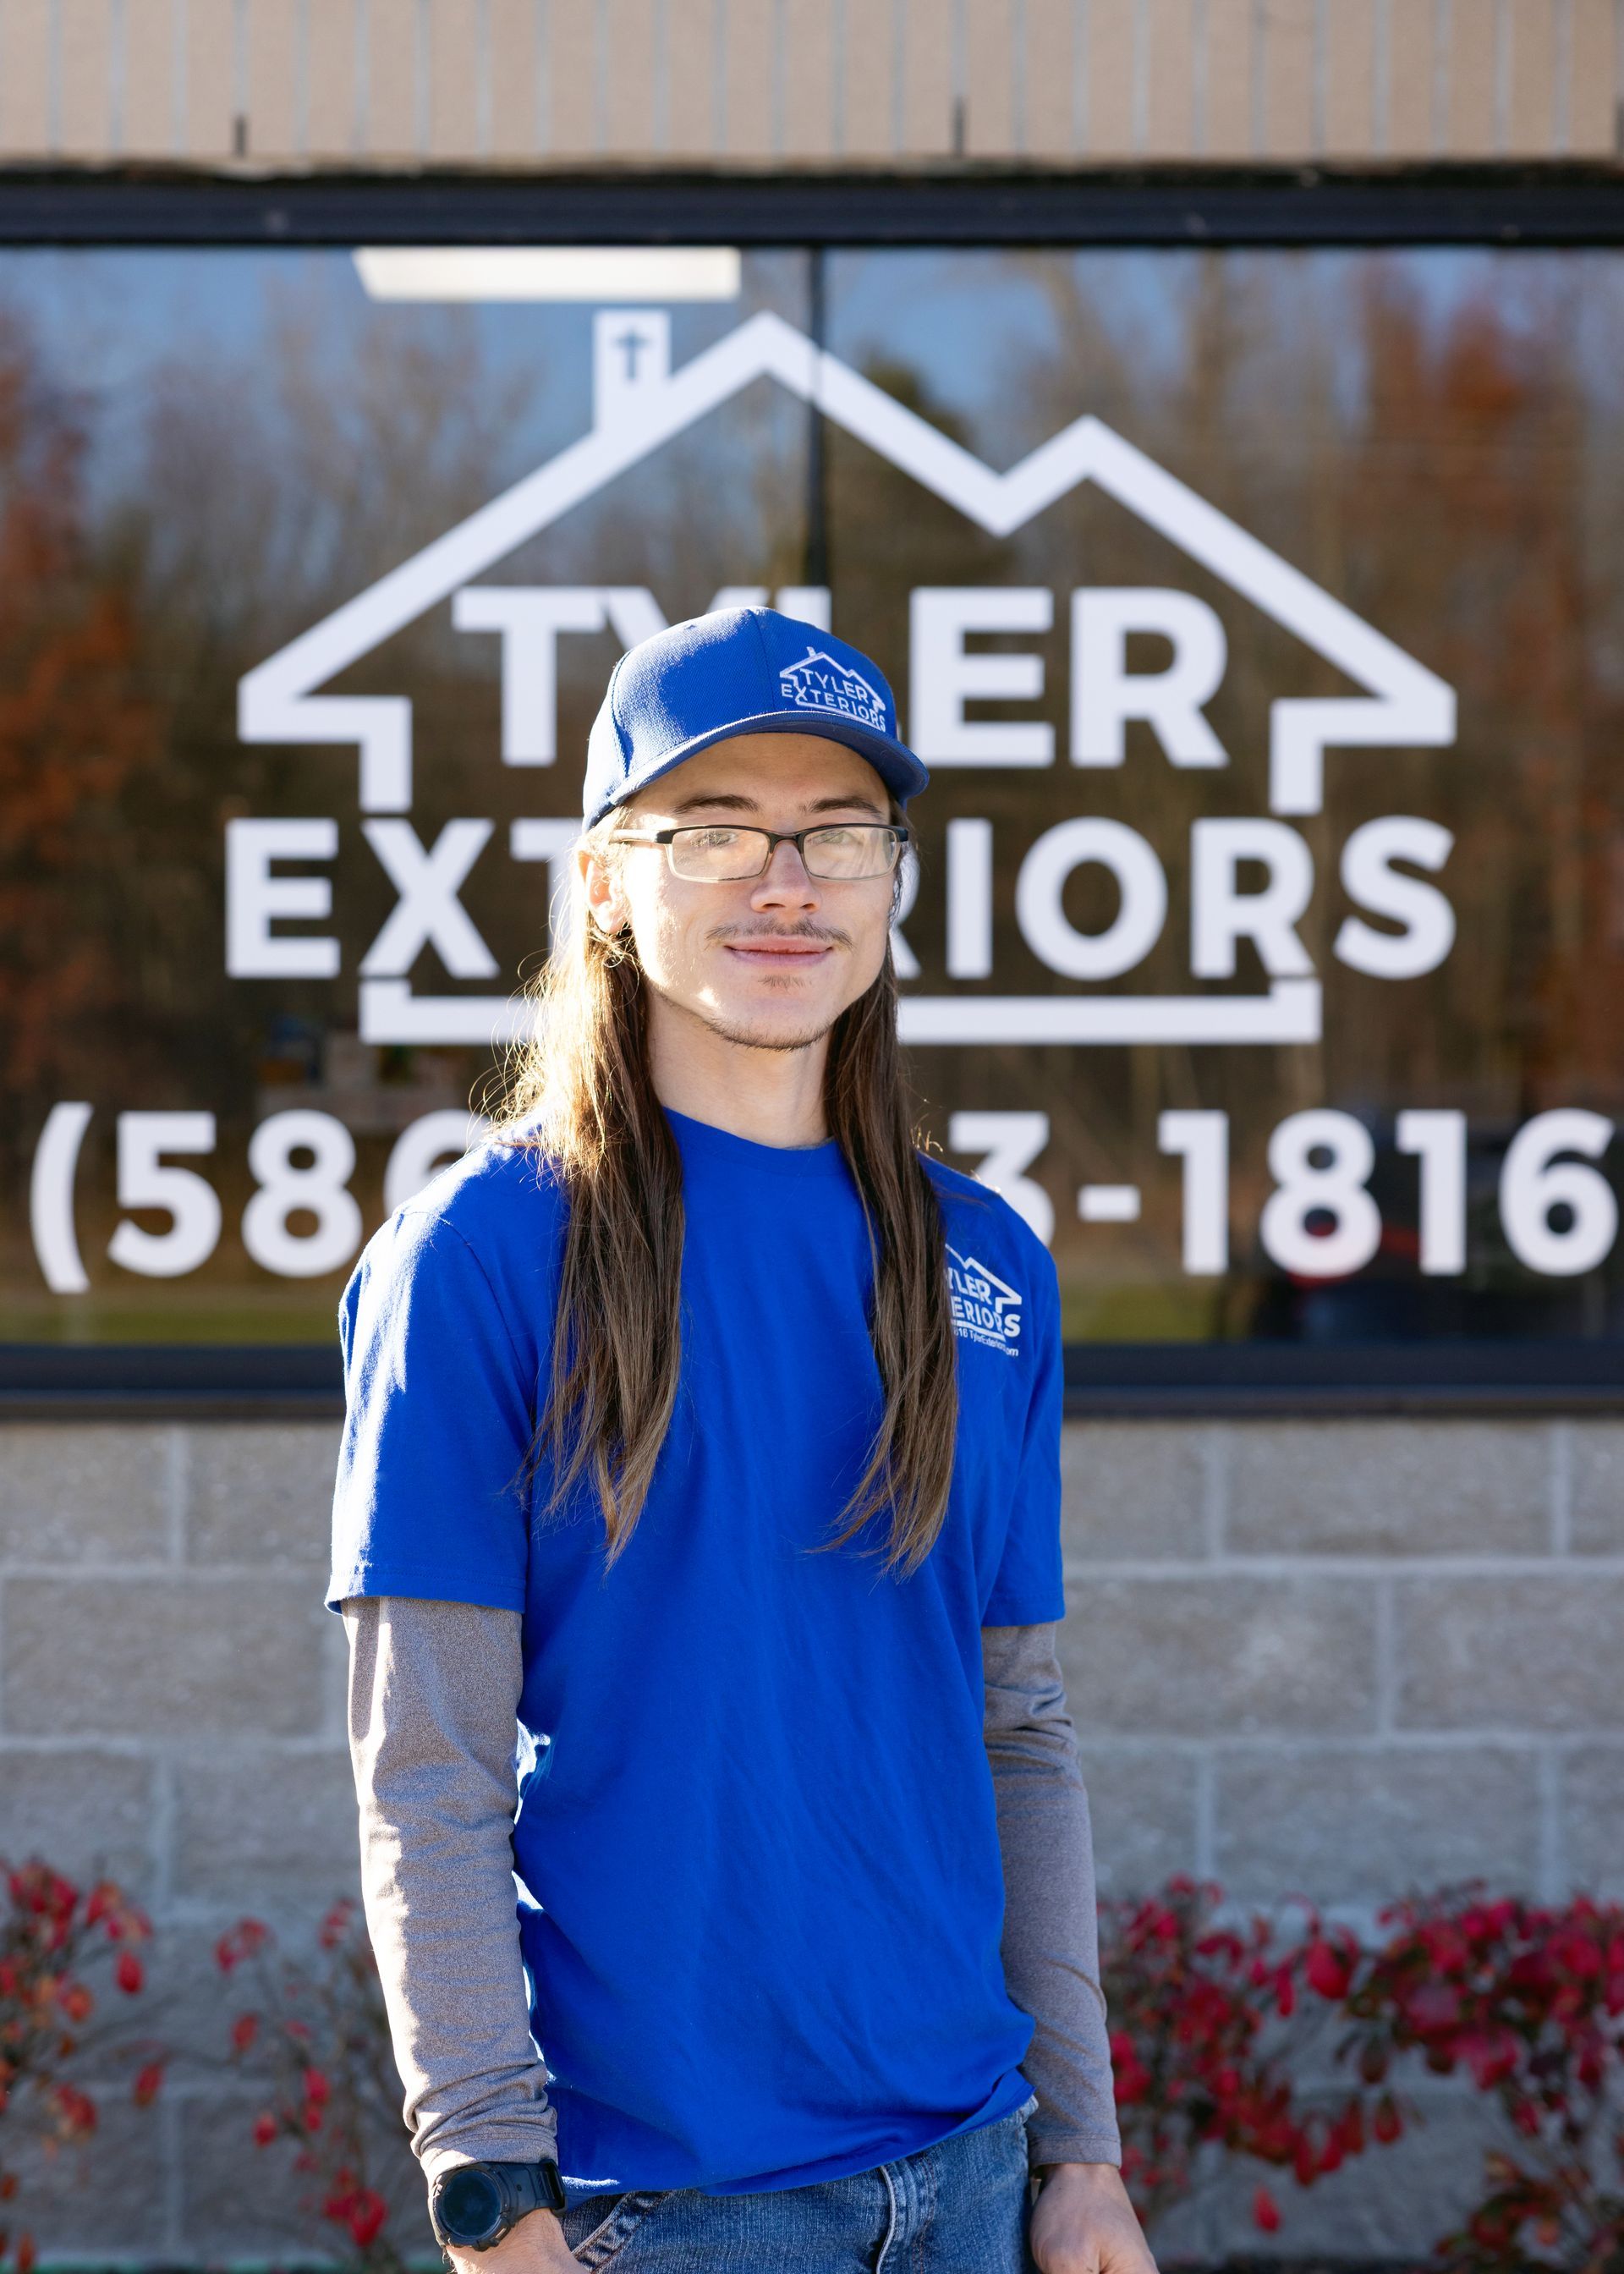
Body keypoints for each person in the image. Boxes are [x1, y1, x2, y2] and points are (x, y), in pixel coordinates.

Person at [329, 607, 1157, 2273]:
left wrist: (1083, 2155)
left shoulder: (986, 1266)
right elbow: (429, 1766)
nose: (787, 884)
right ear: (604, 883)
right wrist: (491, 2197)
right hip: (666, 2206)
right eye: (714, 831)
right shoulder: (483, 1257)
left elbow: (1019, 1733)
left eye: (838, 834)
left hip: (977, 2178)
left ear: (892, 883)